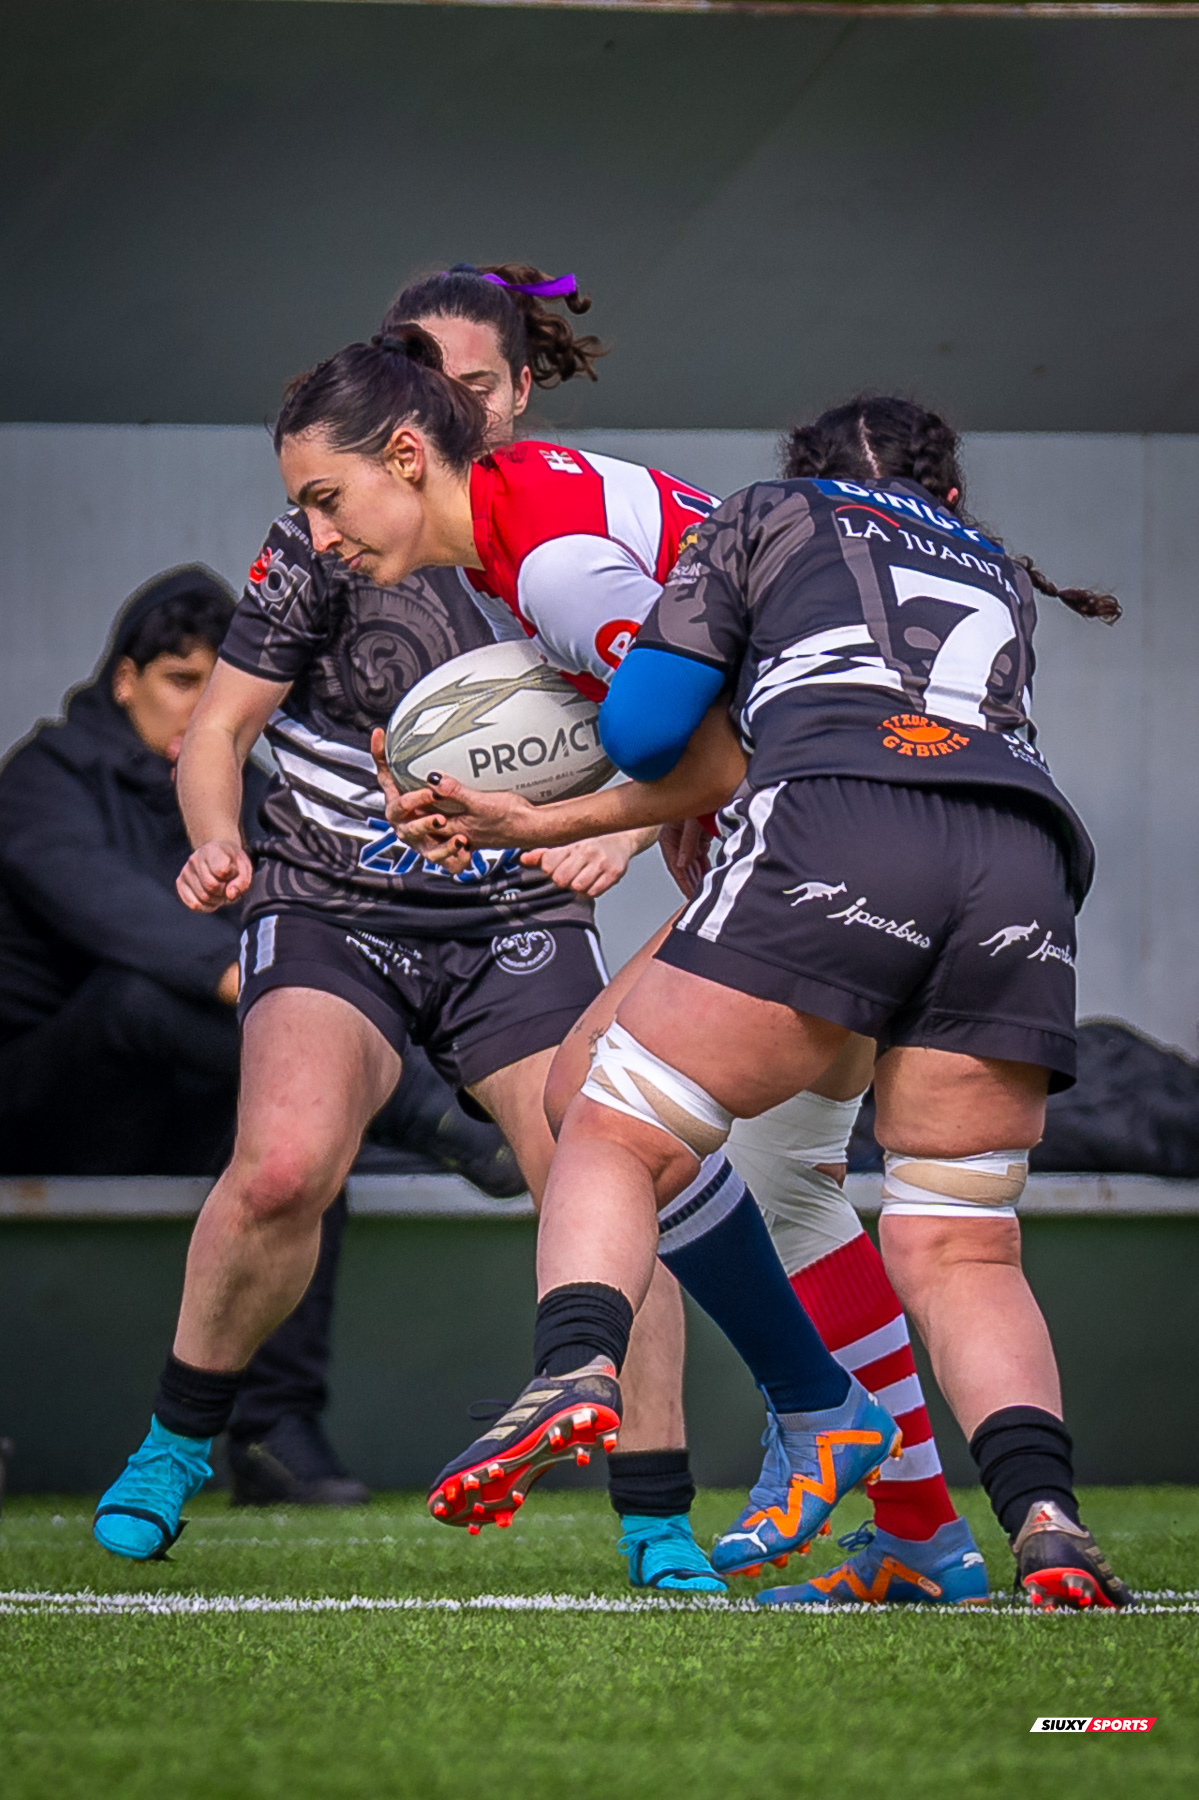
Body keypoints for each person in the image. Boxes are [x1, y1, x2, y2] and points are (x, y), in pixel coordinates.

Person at [249, 326, 989, 1600]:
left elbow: (700, 742)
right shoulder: (540, 523)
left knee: (597, 1097)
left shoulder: (550, 547)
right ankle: (916, 1517)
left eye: (325, 498)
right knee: (786, 1178)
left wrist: (551, 820)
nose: (317, 537)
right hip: (917, 818)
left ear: (410, 455)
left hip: (828, 827)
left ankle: (790, 1409)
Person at [393, 396, 1133, 1611]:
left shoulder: (761, 516)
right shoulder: (991, 566)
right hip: (1023, 863)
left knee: (610, 1124)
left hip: (833, 843)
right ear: (944, 500)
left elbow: (640, 725)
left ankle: (578, 1363)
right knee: (957, 1241)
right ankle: (1038, 1514)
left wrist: (556, 806)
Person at [92, 267, 728, 1590]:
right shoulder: (327, 537)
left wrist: (600, 827)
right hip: (333, 903)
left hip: (509, 914)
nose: (448, 406)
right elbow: (219, 727)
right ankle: (175, 1436)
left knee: (599, 1178)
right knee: (281, 1165)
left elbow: (675, 731)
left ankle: (657, 1516)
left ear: (515, 391)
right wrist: (217, 834)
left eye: (473, 386)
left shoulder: (564, 538)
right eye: (421, 377)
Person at [0, 569, 376, 1504]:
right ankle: (427, 1112)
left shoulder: (242, 794)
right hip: (43, 1105)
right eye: (178, 681)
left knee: (300, 1137)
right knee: (138, 997)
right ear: (124, 679)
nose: (196, 710)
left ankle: (275, 1435)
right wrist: (244, 978)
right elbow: (114, 915)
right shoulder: (44, 780)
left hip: (185, 1097)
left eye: (217, 688)